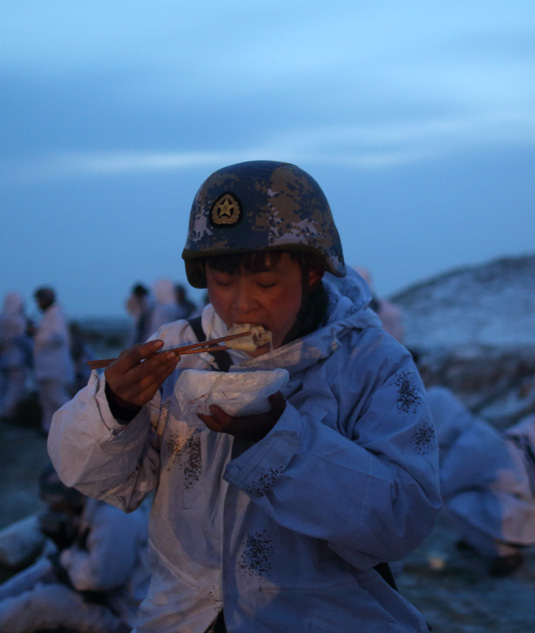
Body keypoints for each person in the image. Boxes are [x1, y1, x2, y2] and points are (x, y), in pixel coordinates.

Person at [48, 160, 440, 632]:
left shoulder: (372, 363)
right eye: (222, 281)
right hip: (181, 619)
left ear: (312, 271)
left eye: (266, 283)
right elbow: (98, 478)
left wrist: (280, 442)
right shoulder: (178, 350)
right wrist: (116, 405)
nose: (241, 303)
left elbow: (403, 520)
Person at [428, 386, 535, 576]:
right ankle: (488, 542)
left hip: (519, 530)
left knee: (448, 500)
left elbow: (443, 486)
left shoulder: (470, 444)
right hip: (532, 525)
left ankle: (501, 553)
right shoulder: (478, 434)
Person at [0, 464, 149, 633]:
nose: (54, 508)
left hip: (124, 617)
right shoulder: (91, 506)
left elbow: (101, 580)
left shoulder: (114, 518)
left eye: (57, 503)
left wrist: (68, 555)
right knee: (43, 569)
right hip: (104, 598)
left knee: (41, 601)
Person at [31, 287, 74, 434]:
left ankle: (74, 426)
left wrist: (36, 334)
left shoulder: (55, 314)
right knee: (46, 401)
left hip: (54, 367)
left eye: (40, 300)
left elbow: (57, 337)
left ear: (47, 299)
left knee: (58, 399)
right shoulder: (49, 314)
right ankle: (49, 429)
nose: (38, 303)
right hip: (45, 367)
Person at [0, 292, 32, 419]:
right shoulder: (18, 320)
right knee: (15, 387)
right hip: (16, 359)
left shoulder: (2, 318)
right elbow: (25, 340)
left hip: (3, 359)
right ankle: (6, 413)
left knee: (3, 388)